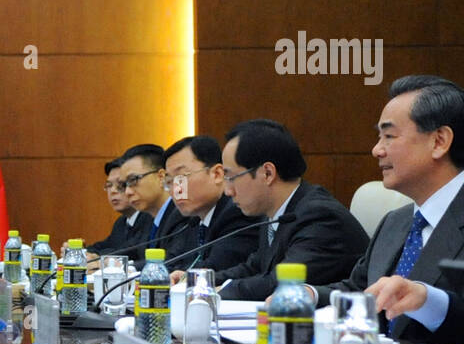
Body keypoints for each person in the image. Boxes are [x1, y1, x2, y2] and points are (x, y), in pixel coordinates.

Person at [314, 75, 464, 344]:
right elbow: (359, 292)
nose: (376, 149)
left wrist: (432, 302)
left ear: (439, 141)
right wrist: (306, 295)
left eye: (389, 136)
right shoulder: (395, 221)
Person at [206, 119, 367, 300]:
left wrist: (222, 291)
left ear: (267, 173)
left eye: (231, 177)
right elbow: (255, 267)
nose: (228, 191)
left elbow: (282, 283)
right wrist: (203, 281)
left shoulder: (320, 216)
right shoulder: (277, 213)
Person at [159, 135, 258, 272]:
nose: (177, 189)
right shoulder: (192, 221)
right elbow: (172, 261)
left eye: (182, 177)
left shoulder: (237, 212)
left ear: (217, 174)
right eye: (170, 182)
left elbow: (214, 268)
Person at [117, 143, 192, 253]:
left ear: (161, 177)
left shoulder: (181, 214)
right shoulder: (145, 217)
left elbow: (172, 260)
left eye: (133, 180)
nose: (127, 192)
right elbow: (129, 251)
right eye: (124, 185)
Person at [87, 157, 149, 258]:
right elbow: (105, 246)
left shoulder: (149, 218)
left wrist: (97, 257)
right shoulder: (121, 222)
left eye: (121, 185)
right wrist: (80, 251)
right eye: (109, 185)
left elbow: (129, 250)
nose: (113, 191)